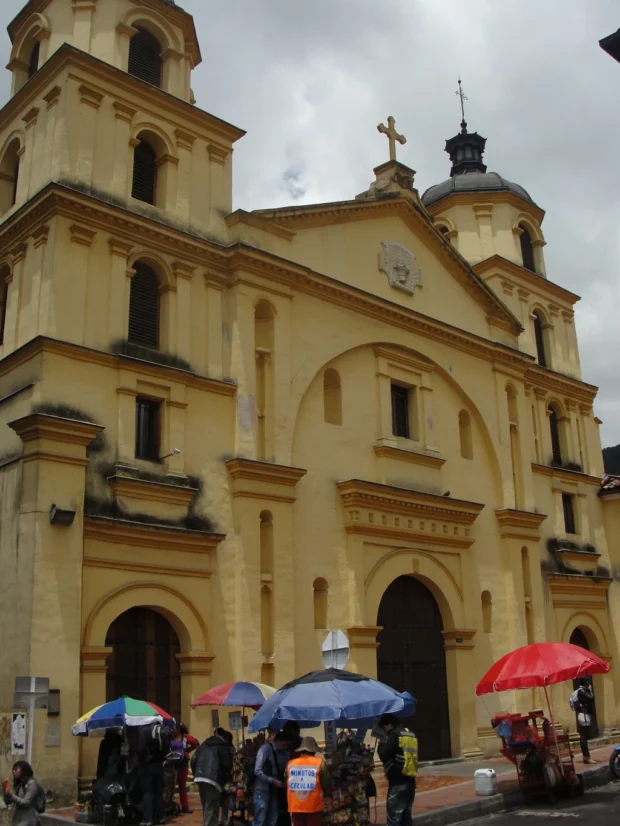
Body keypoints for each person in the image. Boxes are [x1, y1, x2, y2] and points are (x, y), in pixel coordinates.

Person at [377, 714, 418, 826]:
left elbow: (384, 755)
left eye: (384, 727)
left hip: (397, 782)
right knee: (406, 817)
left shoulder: (394, 735)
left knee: (394, 819)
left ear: (389, 724)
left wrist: (380, 745)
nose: (384, 731)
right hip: (410, 781)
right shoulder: (411, 733)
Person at [190, 728, 233, 826]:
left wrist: (196, 773)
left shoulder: (204, 745)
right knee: (211, 807)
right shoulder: (223, 746)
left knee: (206, 805)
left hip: (200, 777)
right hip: (213, 779)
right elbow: (227, 765)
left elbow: (193, 760)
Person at [253, 733, 290, 826]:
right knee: (260, 820)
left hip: (274, 791)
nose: (285, 747)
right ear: (277, 741)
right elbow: (257, 771)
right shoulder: (265, 749)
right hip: (262, 790)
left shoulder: (283, 753)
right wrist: (272, 781)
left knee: (273, 819)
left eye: (287, 745)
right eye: (284, 745)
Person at [138, 723, 171, 826]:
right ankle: (161, 816)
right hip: (159, 764)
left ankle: (148, 818)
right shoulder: (161, 729)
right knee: (158, 791)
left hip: (148, 765)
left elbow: (142, 748)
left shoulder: (144, 730)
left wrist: (141, 762)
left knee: (147, 792)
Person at [286, 737, 323, 826]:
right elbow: (326, 782)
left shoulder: (290, 764)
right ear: (313, 751)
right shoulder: (320, 763)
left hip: (295, 805)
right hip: (313, 805)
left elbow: (286, 782)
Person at [170, 724, 199, 814]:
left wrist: (188, 750)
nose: (173, 730)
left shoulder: (185, 737)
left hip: (183, 763)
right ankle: (170, 804)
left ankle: (185, 806)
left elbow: (195, 743)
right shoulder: (170, 737)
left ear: (179, 729)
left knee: (182, 785)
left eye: (174, 728)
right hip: (172, 763)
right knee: (170, 785)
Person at [3, 761, 41, 826]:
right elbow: (7, 801)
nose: (14, 772)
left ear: (23, 770)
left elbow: (26, 802)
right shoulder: (19, 785)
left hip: (28, 820)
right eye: (13, 770)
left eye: (16, 769)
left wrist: (11, 794)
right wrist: (5, 789)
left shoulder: (31, 783)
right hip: (18, 820)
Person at [570, 679, 597, 764]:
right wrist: (590, 689)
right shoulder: (582, 691)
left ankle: (586, 757)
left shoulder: (580, 691)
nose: (588, 684)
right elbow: (590, 698)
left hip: (583, 715)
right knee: (584, 737)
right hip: (584, 715)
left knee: (584, 736)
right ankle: (587, 757)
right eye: (587, 683)